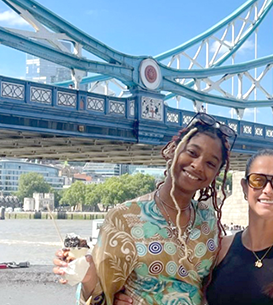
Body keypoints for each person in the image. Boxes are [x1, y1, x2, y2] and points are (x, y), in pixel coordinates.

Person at [115, 149, 273, 305]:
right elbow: (181, 295)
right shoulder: (218, 248)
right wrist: (134, 297)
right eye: (258, 181)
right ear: (245, 188)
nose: (267, 190)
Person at [53, 112, 236, 305]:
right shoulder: (125, 217)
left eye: (210, 163)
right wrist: (88, 276)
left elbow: (210, 287)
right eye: (192, 153)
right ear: (173, 150)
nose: (198, 165)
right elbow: (102, 292)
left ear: (216, 173)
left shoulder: (207, 219)